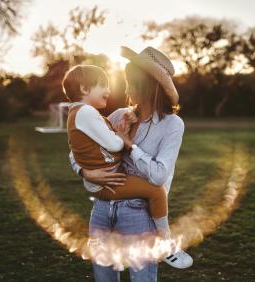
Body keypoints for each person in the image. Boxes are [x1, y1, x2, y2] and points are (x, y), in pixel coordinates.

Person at [69, 46, 193, 281]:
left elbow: (158, 176)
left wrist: (129, 146)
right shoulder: (117, 116)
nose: (126, 89)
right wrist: (85, 172)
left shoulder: (172, 124)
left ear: (147, 86)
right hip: (102, 210)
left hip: (140, 214)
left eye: (131, 82)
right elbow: (76, 151)